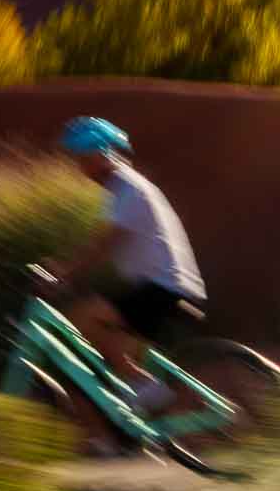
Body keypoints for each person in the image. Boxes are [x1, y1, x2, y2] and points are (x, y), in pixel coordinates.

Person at [50, 117, 208, 443]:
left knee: (82, 319)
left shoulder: (128, 188)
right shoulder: (124, 188)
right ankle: (136, 426)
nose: (80, 167)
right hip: (161, 287)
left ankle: (146, 388)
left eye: (83, 158)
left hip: (164, 289)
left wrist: (62, 272)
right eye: (77, 159)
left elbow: (105, 242)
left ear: (103, 153)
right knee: (116, 350)